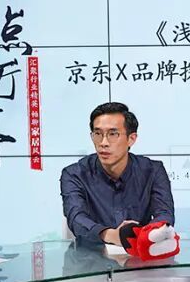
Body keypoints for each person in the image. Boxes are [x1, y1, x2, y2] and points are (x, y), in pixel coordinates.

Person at [60, 102, 175, 245]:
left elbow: (164, 215)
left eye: (113, 134)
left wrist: (142, 236)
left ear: (131, 139)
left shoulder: (153, 171)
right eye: (98, 134)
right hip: (92, 255)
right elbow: (76, 218)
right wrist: (112, 235)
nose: (103, 143)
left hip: (140, 252)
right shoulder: (74, 174)